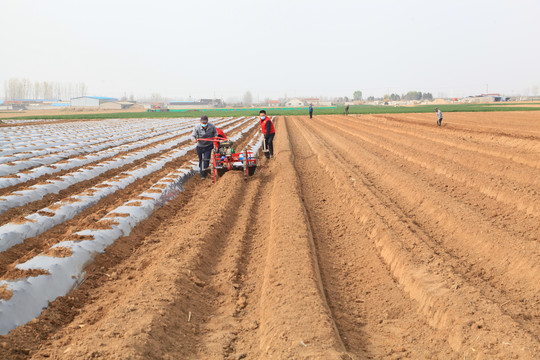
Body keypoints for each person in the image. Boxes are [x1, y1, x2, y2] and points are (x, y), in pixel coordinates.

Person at [191, 115, 217, 179]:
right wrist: (194, 139)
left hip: (208, 146)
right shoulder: (197, 127)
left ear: (207, 121)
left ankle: (203, 175)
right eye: (203, 123)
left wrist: (215, 137)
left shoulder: (212, 126)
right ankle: (202, 171)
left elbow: (215, 133)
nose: (204, 124)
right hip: (200, 146)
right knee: (200, 160)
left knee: (206, 160)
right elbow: (193, 136)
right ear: (200, 122)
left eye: (205, 123)